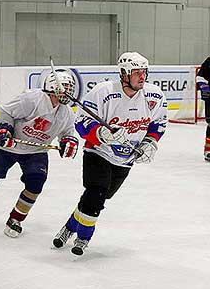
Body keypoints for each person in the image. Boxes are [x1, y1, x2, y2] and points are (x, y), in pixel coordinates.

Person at [52, 52, 167, 256]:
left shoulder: (154, 96)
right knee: (96, 193)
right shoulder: (103, 92)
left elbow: (158, 123)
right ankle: (83, 238)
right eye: (137, 72)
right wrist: (101, 133)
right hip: (98, 152)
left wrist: (150, 141)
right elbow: (81, 123)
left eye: (144, 72)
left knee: (99, 198)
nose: (142, 77)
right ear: (124, 74)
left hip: (125, 159)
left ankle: (69, 227)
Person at [0, 70, 79, 238]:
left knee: (35, 184)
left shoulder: (66, 113)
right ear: (53, 87)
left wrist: (67, 142)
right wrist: (6, 129)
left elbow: (68, 133)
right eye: (65, 88)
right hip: (8, 147)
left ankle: (15, 220)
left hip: (36, 150)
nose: (68, 92)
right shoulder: (31, 99)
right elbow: (6, 111)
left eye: (70, 88)